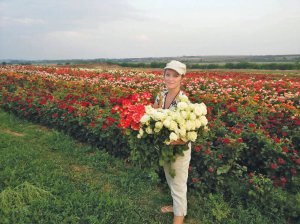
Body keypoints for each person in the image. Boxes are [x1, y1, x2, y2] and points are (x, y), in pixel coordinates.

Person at [153, 60, 191, 224]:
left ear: (181, 78)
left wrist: (173, 142)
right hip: (165, 147)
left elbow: (188, 134)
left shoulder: (184, 101)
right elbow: (152, 115)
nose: (170, 79)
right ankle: (177, 207)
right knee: (170, 179)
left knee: (178, 184)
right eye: (168, 75)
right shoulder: (161, 95)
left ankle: (179, 218)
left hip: (179, 149)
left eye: (175, 76)